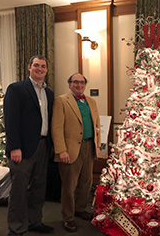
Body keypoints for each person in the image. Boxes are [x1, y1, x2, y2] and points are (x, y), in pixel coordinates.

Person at [4, 55, 54, 235]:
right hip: (22, 149)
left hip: (43, 146)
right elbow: (11, 120)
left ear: (47, 70)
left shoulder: (49, 93)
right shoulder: (16, 89)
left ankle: (34, 222)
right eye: (36, 65)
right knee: (19, 191)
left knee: (38, 188)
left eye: (43, 66)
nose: (40, 69)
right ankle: (16, 227)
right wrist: (14, 147)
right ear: (29, 67)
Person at [51, 73, 101, 232]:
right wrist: (61, 150)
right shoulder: (61, 101)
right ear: (69, 84)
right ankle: (68, 217)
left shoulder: (91, 101)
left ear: (85, 84)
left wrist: (98, 145)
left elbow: (97, 124)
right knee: (69, 186)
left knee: (86, 182)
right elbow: (56, 128)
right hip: (70, 150)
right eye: (75, 82)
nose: (79, 85)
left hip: (89, 147)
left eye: (81, 82)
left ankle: (80, 209)